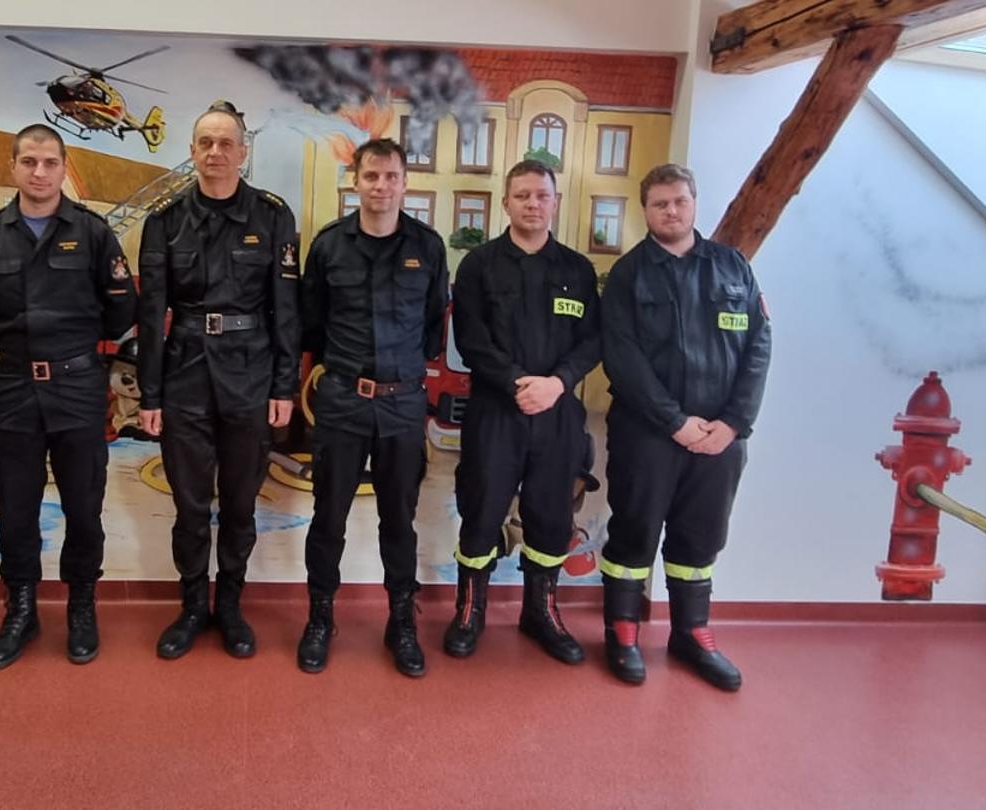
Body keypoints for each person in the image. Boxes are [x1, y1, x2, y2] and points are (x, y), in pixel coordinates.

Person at [0, 124, 136, 669]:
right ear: (12, 167)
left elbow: (121, 309)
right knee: (15, 507)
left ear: (62, 168)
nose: (39, 172)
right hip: (15, 386)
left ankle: (81, 606)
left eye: (50, 162)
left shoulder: (93, 232)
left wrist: (71, 345)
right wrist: (21, 343)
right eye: (29, 162)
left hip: (78, 386)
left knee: (83, 506)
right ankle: (21, 609)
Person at [136, 101, 300, 660]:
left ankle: (229, 606)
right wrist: (149, 394)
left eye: (226, 143)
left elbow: (287, 310)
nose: (215, 153)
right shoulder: (164, 221)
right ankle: (191, 608)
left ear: (242, 152)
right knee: (188, 507)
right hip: (184, 373)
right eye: (205, 143)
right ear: (192, 151)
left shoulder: (272, 217)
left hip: (250, 376)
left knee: (239, 504)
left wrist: (284, 387)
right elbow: (150, 315)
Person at [598, 163, 771, 690]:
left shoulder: (732, 267)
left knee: (701, 539)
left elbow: (758, 347)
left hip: (720, 440)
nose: (671, 212)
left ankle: (691, 632)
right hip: (647, 435)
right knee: (634, 532)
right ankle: (622, 631)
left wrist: (733, 423)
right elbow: (622, 358)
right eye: (660, 204)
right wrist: (674, 421)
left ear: (694, 203)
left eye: (679, 201)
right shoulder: (628, 275)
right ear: (645, 211)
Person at [296, 138, 448, 677]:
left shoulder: (428, 246)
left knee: (399, 521)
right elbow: (311, 324)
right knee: (328, 517)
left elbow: (433, 327)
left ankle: (401, 621)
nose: (381, 186)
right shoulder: (329, 246)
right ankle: (320, 618)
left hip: (403, 404)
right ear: (354, 181)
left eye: (391, 176)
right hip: (342, 401)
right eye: (371, 176)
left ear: (405, 183)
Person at [443, 160, 600, 665]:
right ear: (506, 202)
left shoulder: (577, 270)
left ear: (556, 202)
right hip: (495, 411)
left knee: (551, 516)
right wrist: (517, 384)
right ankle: (470, 611)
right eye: (523, 195)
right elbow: (471, 340)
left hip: (558, 412)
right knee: (482, 510)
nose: (533, 204)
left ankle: (541, 613)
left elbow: (592, 341)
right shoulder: (479, 266)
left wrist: (557, 383)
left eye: (542, 195)